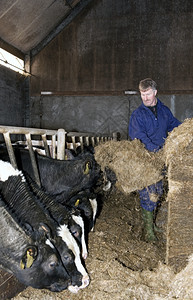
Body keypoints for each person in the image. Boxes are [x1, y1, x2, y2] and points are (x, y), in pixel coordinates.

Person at [129, 78, 181, 242]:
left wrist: (186, 130)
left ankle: (152, 223)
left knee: (158, 191)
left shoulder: (164, 110)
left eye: (148, 93)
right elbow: (138, 136)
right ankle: (148, 230)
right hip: (145, 158)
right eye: (142, 94)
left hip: (161, 158)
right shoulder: (138, 114)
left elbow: (174, 125)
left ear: (155, 92)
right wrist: (156, 150)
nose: (145, 98)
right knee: (148, 193)